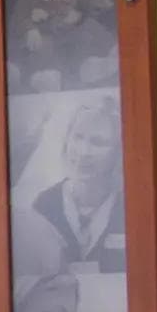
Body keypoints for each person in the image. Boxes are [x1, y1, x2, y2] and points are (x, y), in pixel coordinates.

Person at [30, 98, 125, 272]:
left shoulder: (130, 207)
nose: (83, 152)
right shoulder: (44, 206)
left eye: (98, 142)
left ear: (118, 151)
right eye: (78, 137)